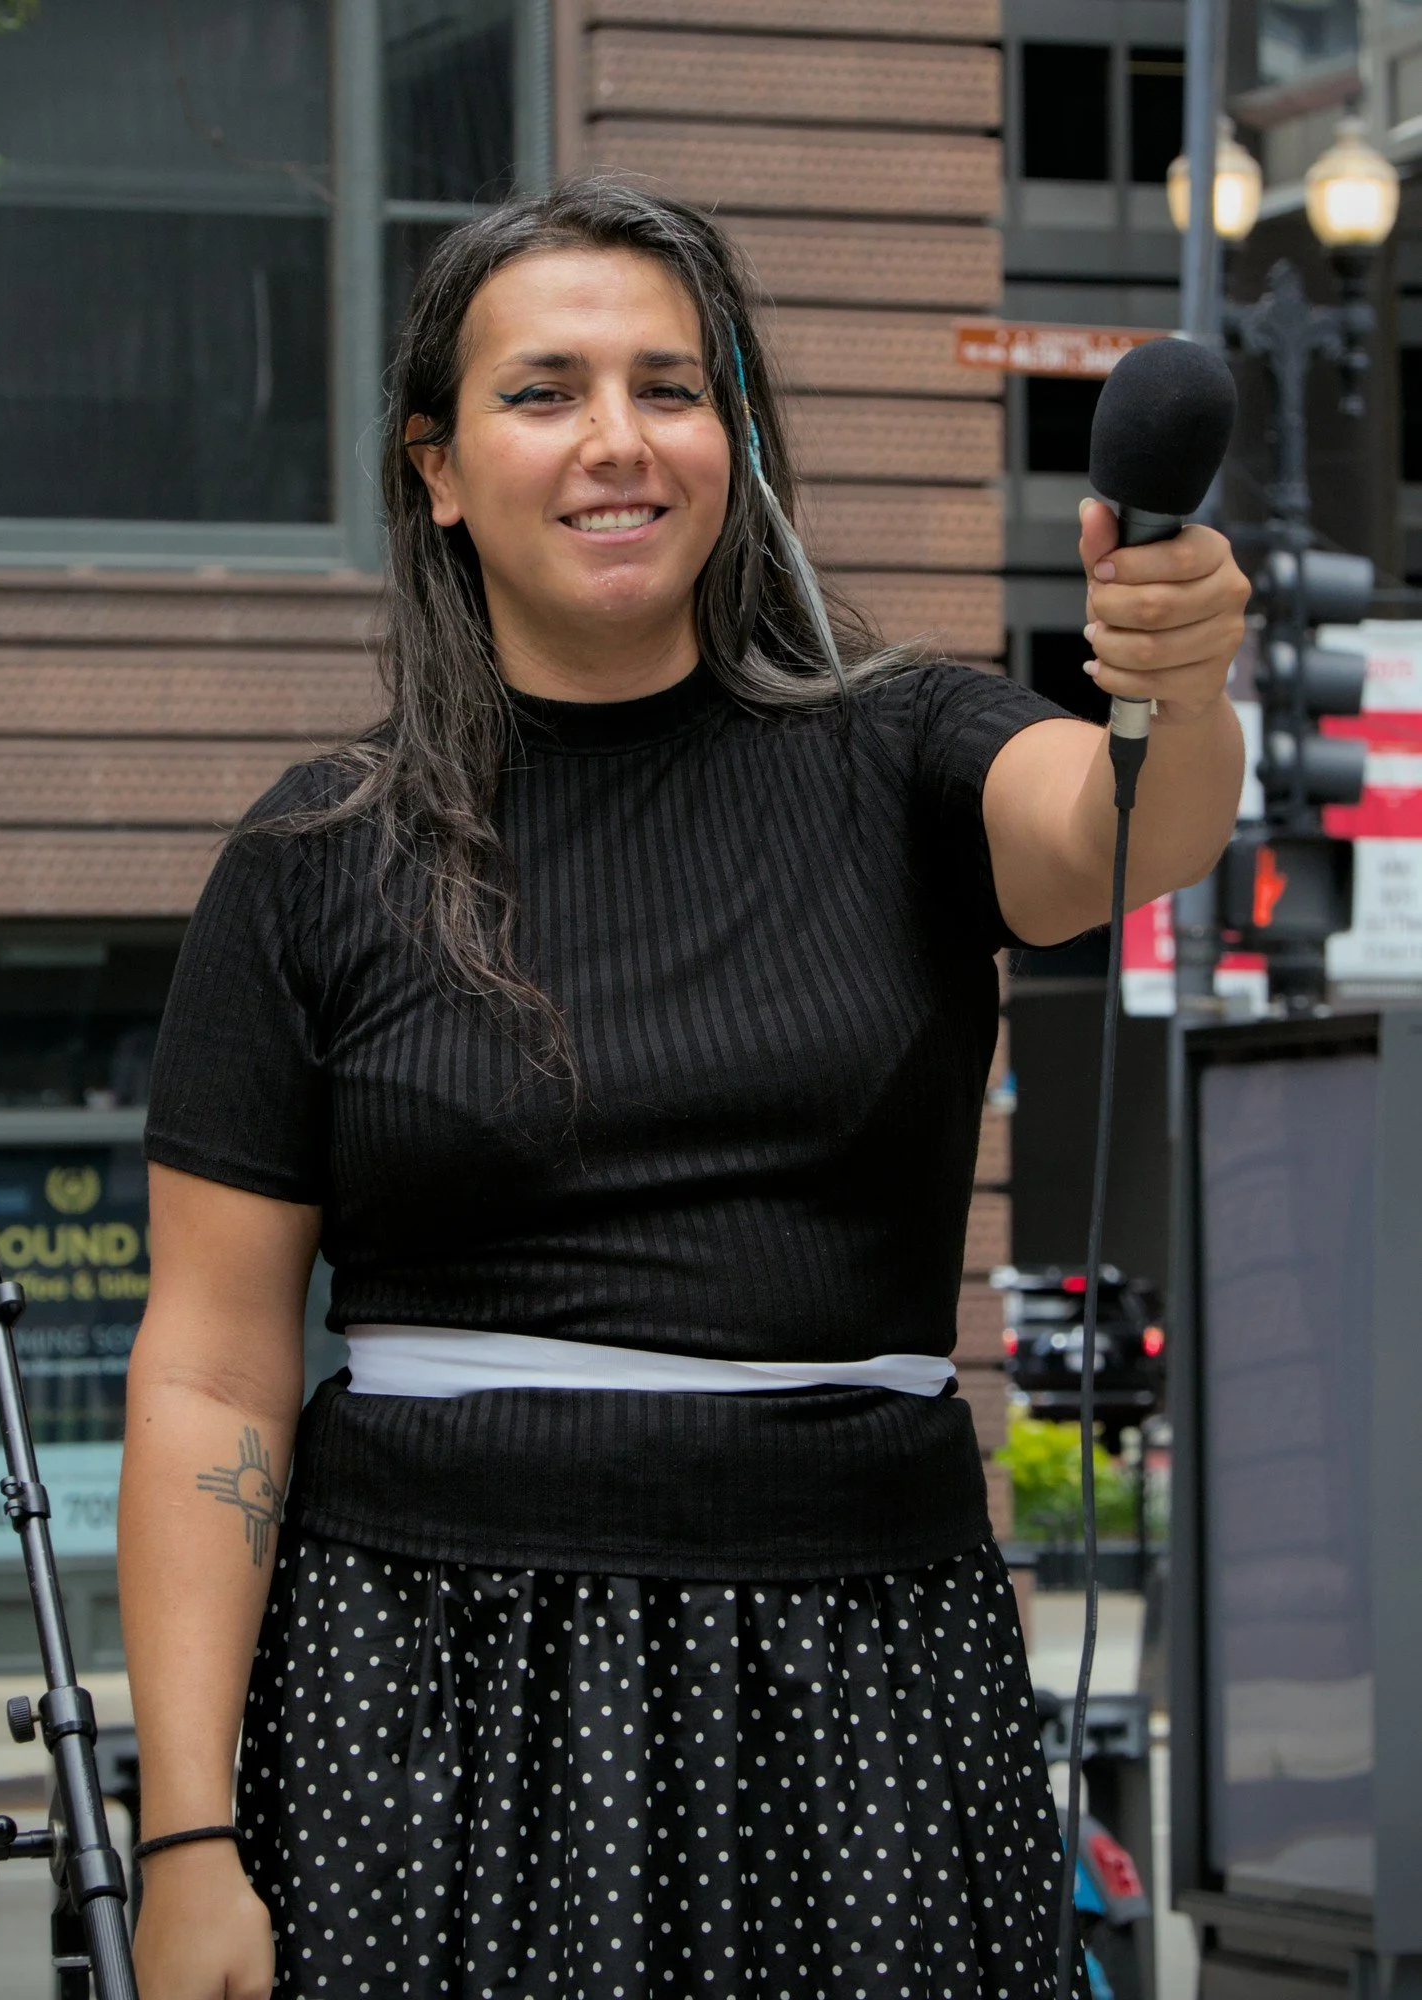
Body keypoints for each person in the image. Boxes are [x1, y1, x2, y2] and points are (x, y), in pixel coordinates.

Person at [120, 175, 1247, 2000]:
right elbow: (208, 1363)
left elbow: (1112, 833)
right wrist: (187, 1839)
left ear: (733, 436)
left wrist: (1182, 684)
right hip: (421, 1699)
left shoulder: (901, 748)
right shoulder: (314, 860)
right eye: (544, 390)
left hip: (865, 1685)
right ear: (435, 465)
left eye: (669, 385)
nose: (616, 442)